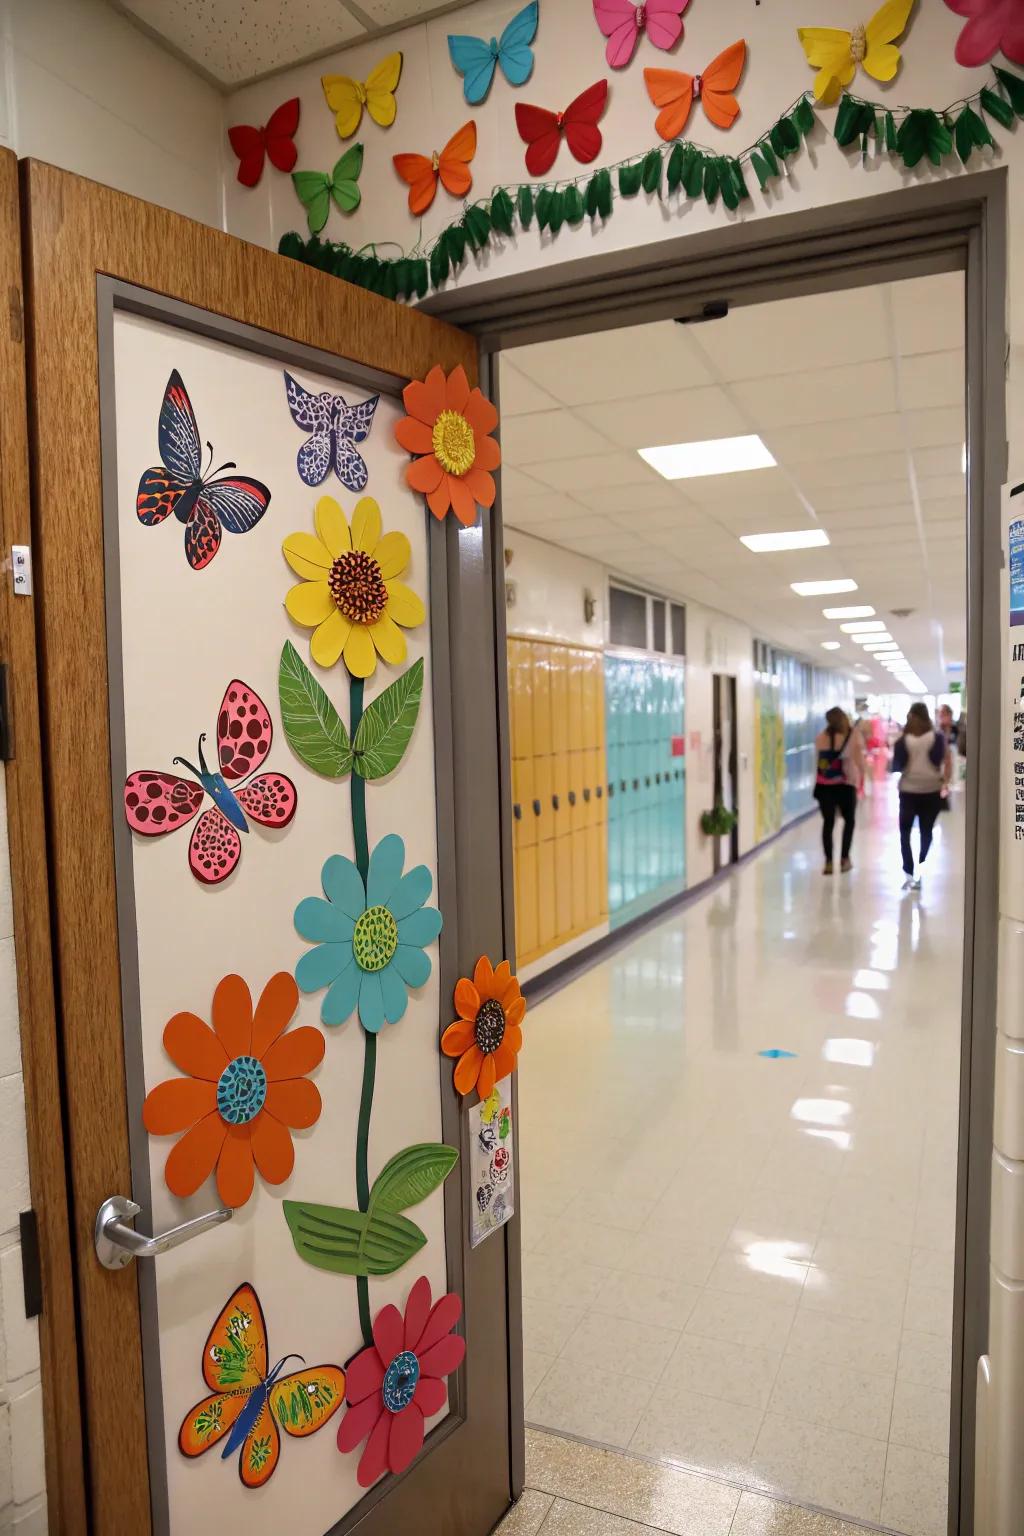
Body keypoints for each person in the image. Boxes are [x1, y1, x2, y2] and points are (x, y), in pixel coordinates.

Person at [892, 702, 950, 889]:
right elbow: (946, 760)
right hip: (931, 790)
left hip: (908, 790)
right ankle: (919, 869)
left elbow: (896, 765)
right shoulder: (937, 738)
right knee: (926, 832)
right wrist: (945, 781)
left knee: (905, 832)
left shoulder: (903, 740)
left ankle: (910, 871)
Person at [813, 707, 863, 875]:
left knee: (828, 823)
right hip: (845, 785)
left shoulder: (820, 737)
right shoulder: (852, 735)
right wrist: (862, 778)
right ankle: (844, 859)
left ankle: (828, 862)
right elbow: (859, 760)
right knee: (849, 821)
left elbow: (819, 761)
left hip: (824, 786)